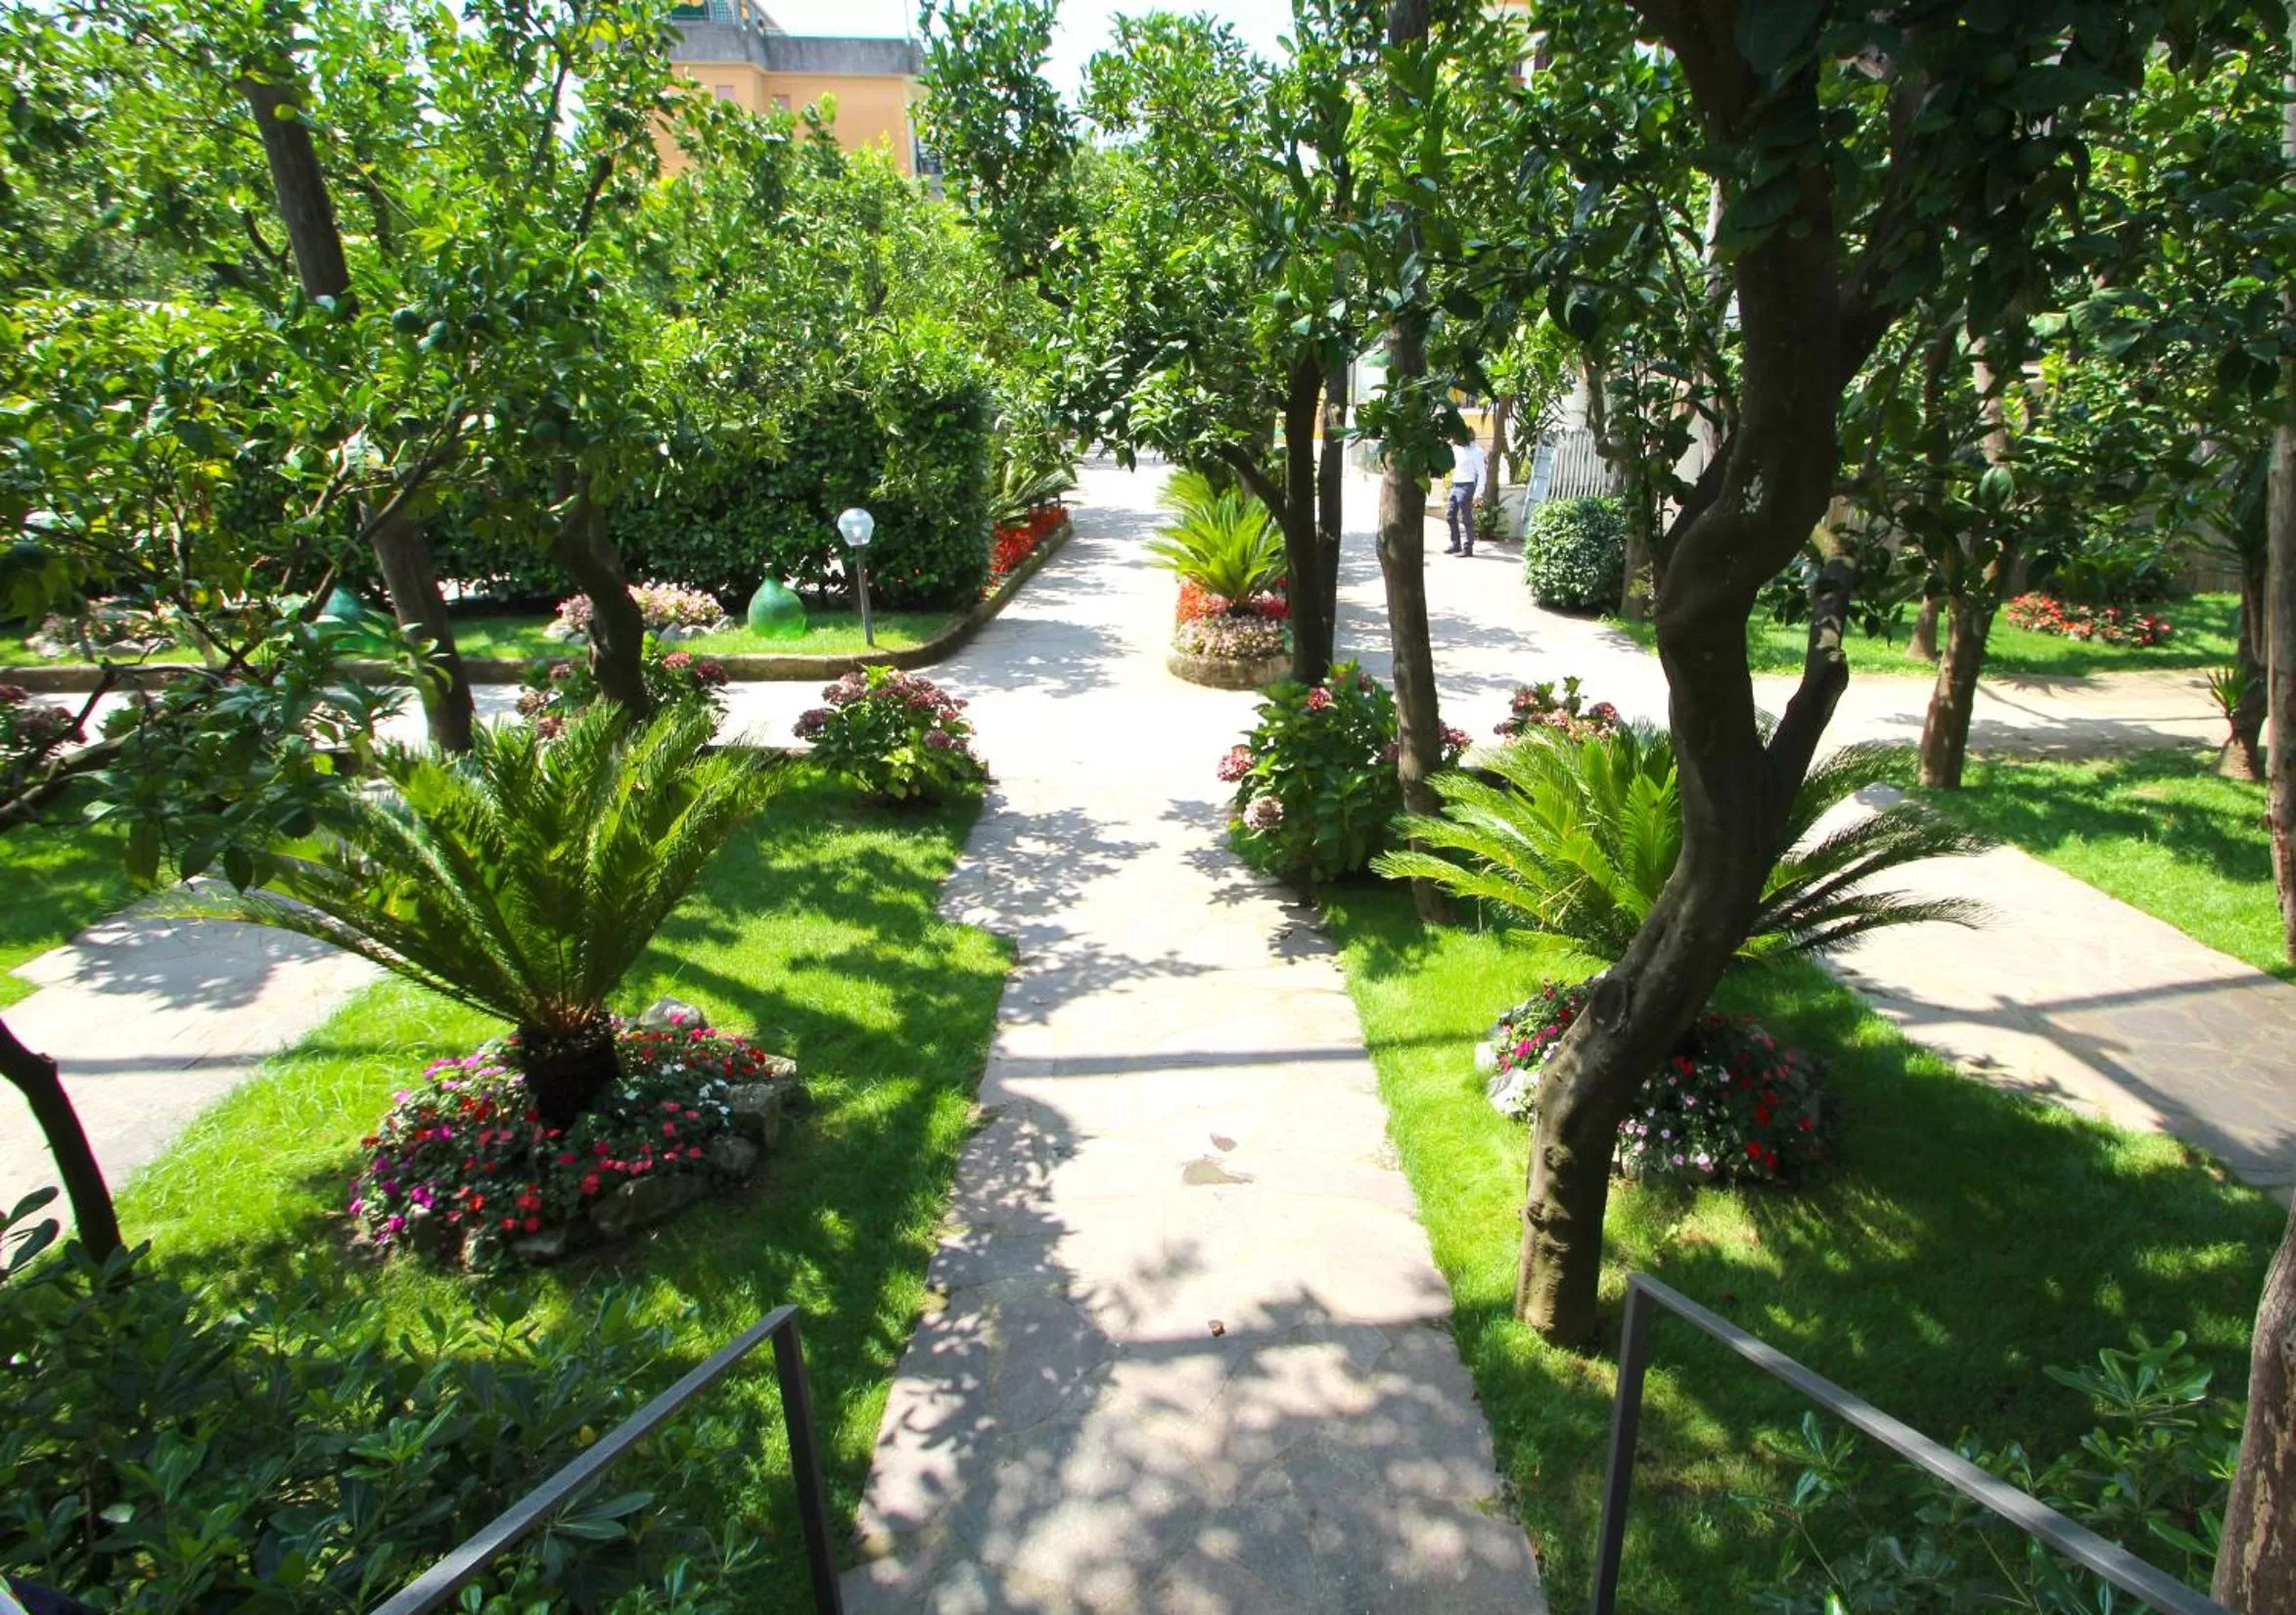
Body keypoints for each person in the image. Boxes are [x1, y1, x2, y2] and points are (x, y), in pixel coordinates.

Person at [1445, 438, 1488, 556]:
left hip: (1467, 485)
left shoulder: (1476, 451)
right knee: (1450, 515)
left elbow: (1482, 473)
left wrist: (1479, 492)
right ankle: (1455, 544)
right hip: (1456, 484)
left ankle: (1468, 548)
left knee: (1466, 517)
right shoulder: (1457, 448)